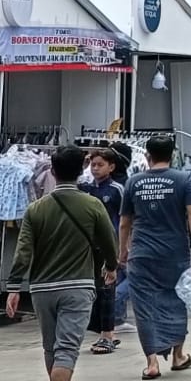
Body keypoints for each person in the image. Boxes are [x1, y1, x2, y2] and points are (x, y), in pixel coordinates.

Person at [6, 146, 117, 381]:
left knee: (51, 347)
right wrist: (111, 266)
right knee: (67, 348)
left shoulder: (35, 209)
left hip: (42, 288)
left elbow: (23, 252)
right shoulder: (93, 205)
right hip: (78, 285)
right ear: (81, 171)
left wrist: (14, 287)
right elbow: (108, 242)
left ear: (52, 172)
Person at [119, 136, 191, 380]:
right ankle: (178, 355)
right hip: (174, 253)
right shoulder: (184, 179)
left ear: (147, 155)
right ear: (172, 155)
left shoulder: (133, 182)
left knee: (144, 307)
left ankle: (152, 363)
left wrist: (122, 251)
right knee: (176, 301)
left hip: (141, 253)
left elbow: (125, 222)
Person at [79, 149, 126, 355]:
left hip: (110, 246)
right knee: (95, 290)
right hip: (90, 247)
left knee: (108, 289)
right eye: (93, 165)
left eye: (100, 165)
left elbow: (126, 220)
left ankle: (107, 334)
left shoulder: (117, 190)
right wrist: (82, 166)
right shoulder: (86, 188)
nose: (95, 168)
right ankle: (105, 332)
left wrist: (123, 248)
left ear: (111, 167)